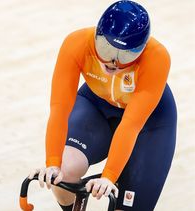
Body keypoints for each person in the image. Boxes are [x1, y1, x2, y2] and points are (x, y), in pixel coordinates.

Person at [28, 1, 177, 210]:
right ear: (97, 34)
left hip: (149, 123)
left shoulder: (156, 57)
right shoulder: (77, 43)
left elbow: (131, 125)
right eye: (106, 48)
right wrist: (52, 161)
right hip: (96, 104)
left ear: (141, 49)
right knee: (64, 172)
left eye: (126, 55)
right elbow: (59, 109)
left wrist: (109, 176)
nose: (112, 62)